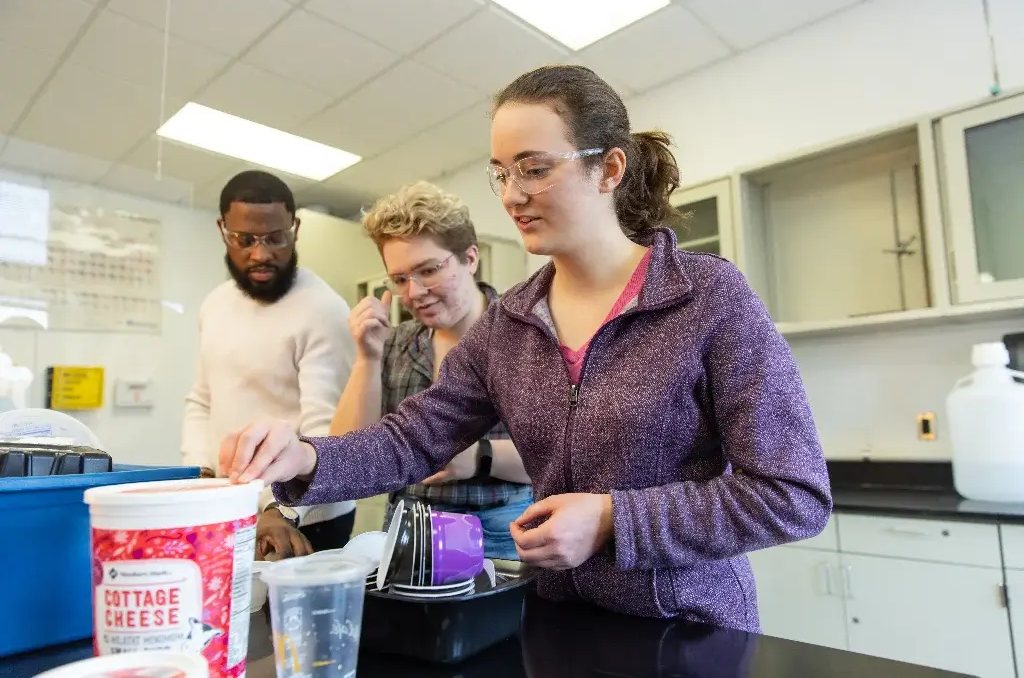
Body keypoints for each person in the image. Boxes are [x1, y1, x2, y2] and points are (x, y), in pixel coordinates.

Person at [218, 65, 832, 631]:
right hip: (555, 622)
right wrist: (304, 459)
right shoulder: (510, 323)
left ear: (609, 169)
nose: (511, 196)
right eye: (502, 173)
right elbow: (410, 440)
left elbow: (791, 494)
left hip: (688, 632)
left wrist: (614, 520)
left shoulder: (707, 296)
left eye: (535, 169)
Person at [329, 181, 532, 560]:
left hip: (505, 527)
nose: (414, 292)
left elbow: (562, 454)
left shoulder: (528, 333)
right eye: (400, 279)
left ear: (470, 258)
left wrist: (478, 457)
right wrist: (367, 358)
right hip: (411, 527)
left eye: (428, 270)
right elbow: (348, 459)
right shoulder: (393, 343)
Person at [181, 169, 358, 560]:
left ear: (295, 229)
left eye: (276, 238)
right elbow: (202, 401)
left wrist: (278, 509)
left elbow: (327, 431)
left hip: (306, 513)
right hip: (230, 506)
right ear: (222, 230)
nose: (261, 254)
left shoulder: (323, 310)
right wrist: (200, 479)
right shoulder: (215, 304)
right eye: (245, 240)